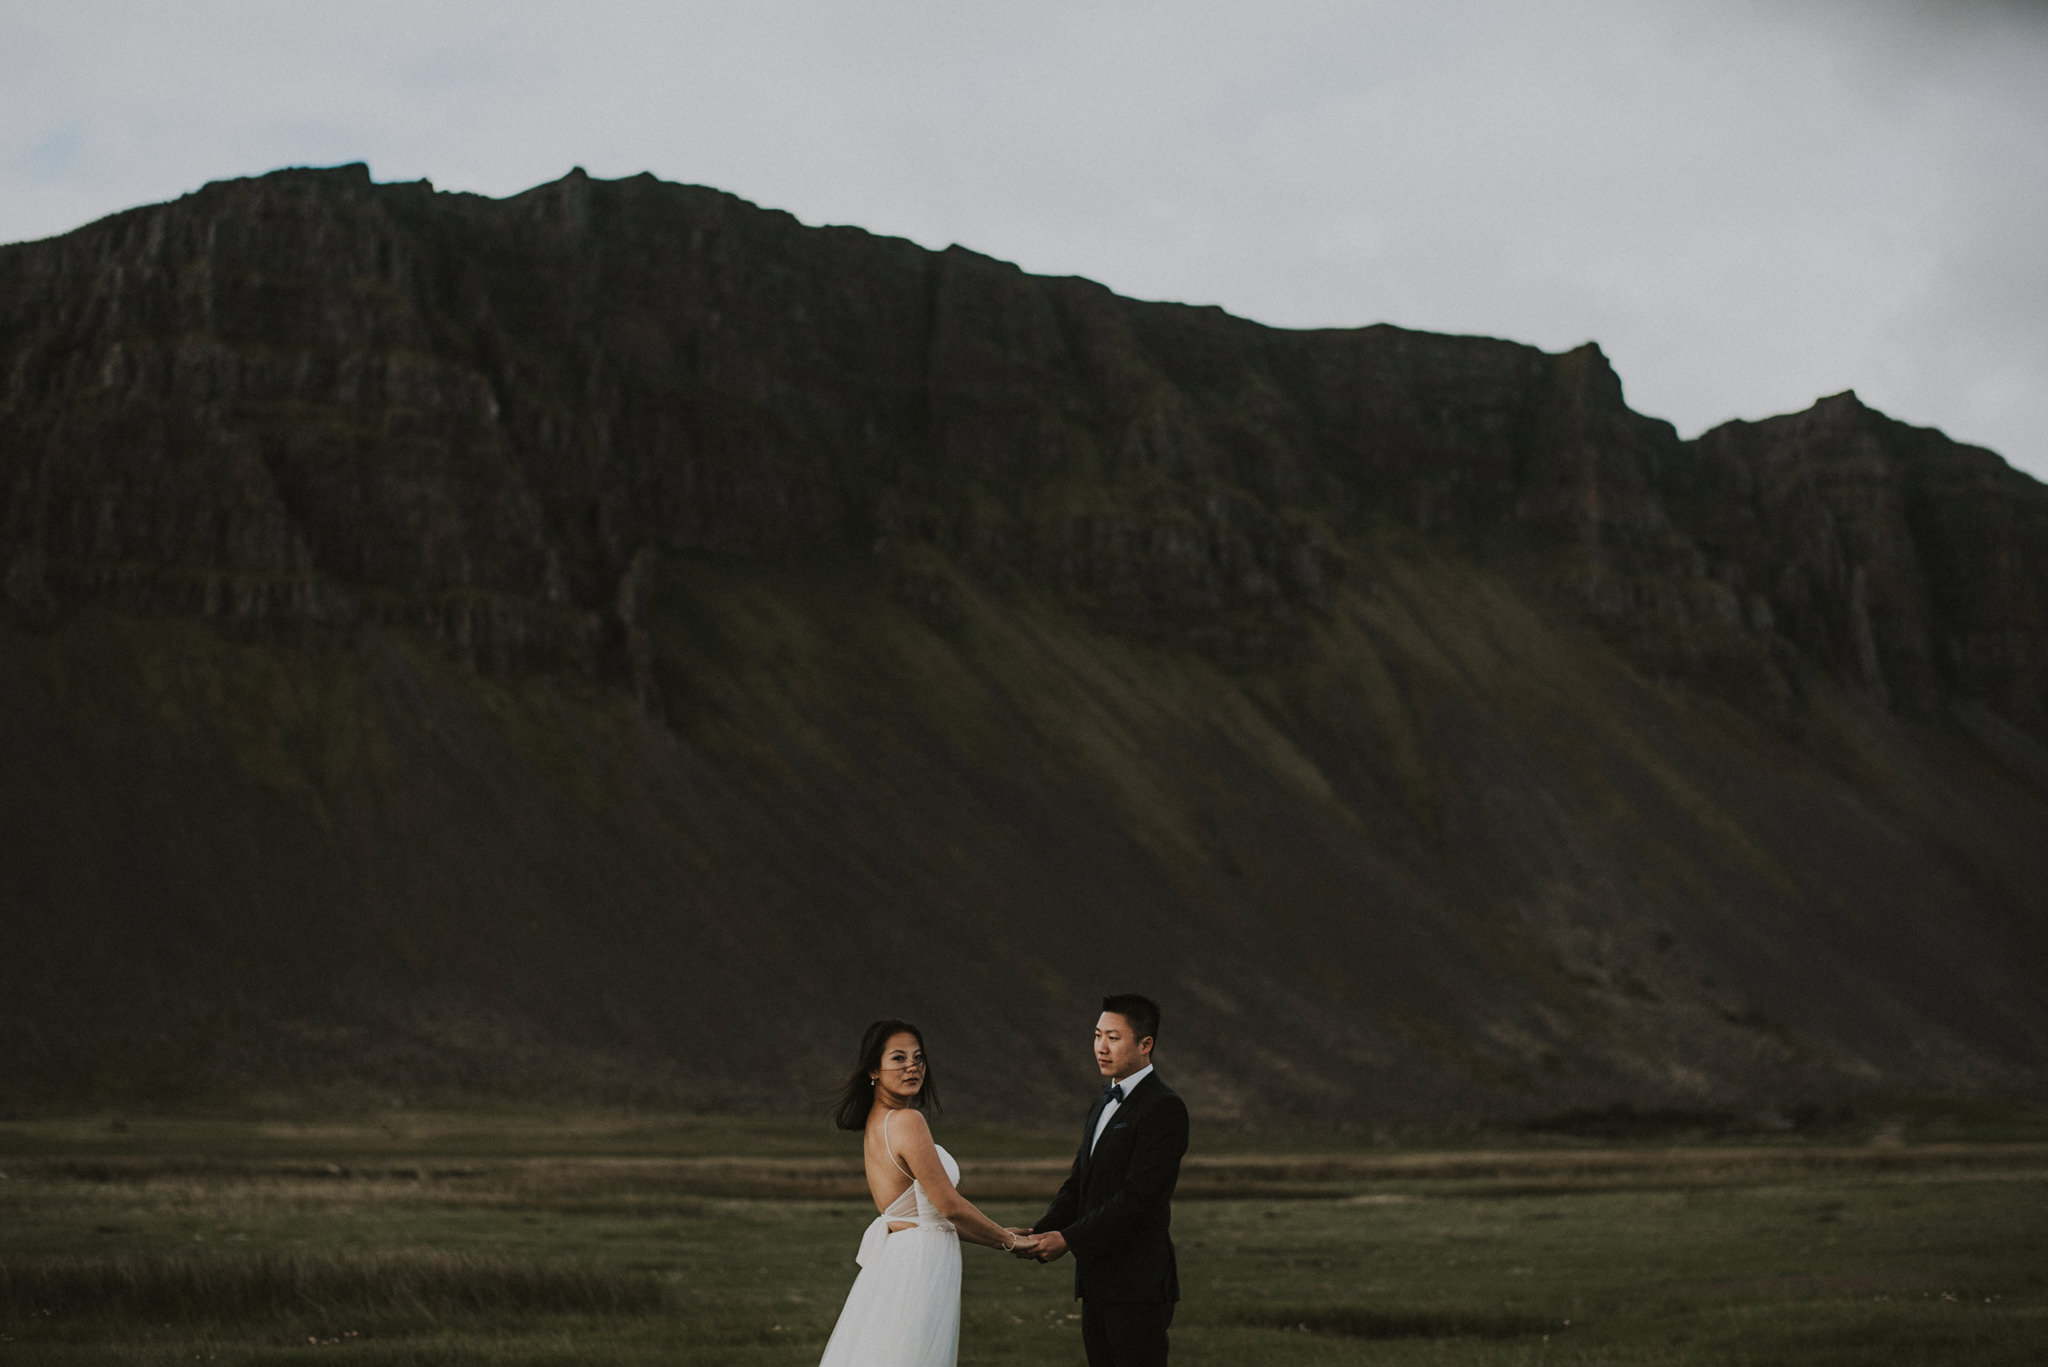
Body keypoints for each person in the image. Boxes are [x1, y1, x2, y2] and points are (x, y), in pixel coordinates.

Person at [816, 1018, 1042, 1367]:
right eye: (899, 1058)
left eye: (918, 1058)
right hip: (920, 1265)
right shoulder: (907, 1121)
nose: (912, 1067)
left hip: (902, 1258)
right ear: (873, 1069)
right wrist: (1011, 1242)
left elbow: (927, 1216)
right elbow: (949, 1206)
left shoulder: (877, 1123)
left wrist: (996, 1236)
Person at [1013, 994, 1189, 1367]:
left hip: (1138, 1285)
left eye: (1113, 1037)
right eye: (1097, 1035)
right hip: (1096, 1283)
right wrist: (1038, 1231)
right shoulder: (1102, 1104)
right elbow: (1080, 1184)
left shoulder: (1164, 1108)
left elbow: (1138, 1198)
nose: (1101, 1047)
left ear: (1145, 1045)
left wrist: (1069, 1239)